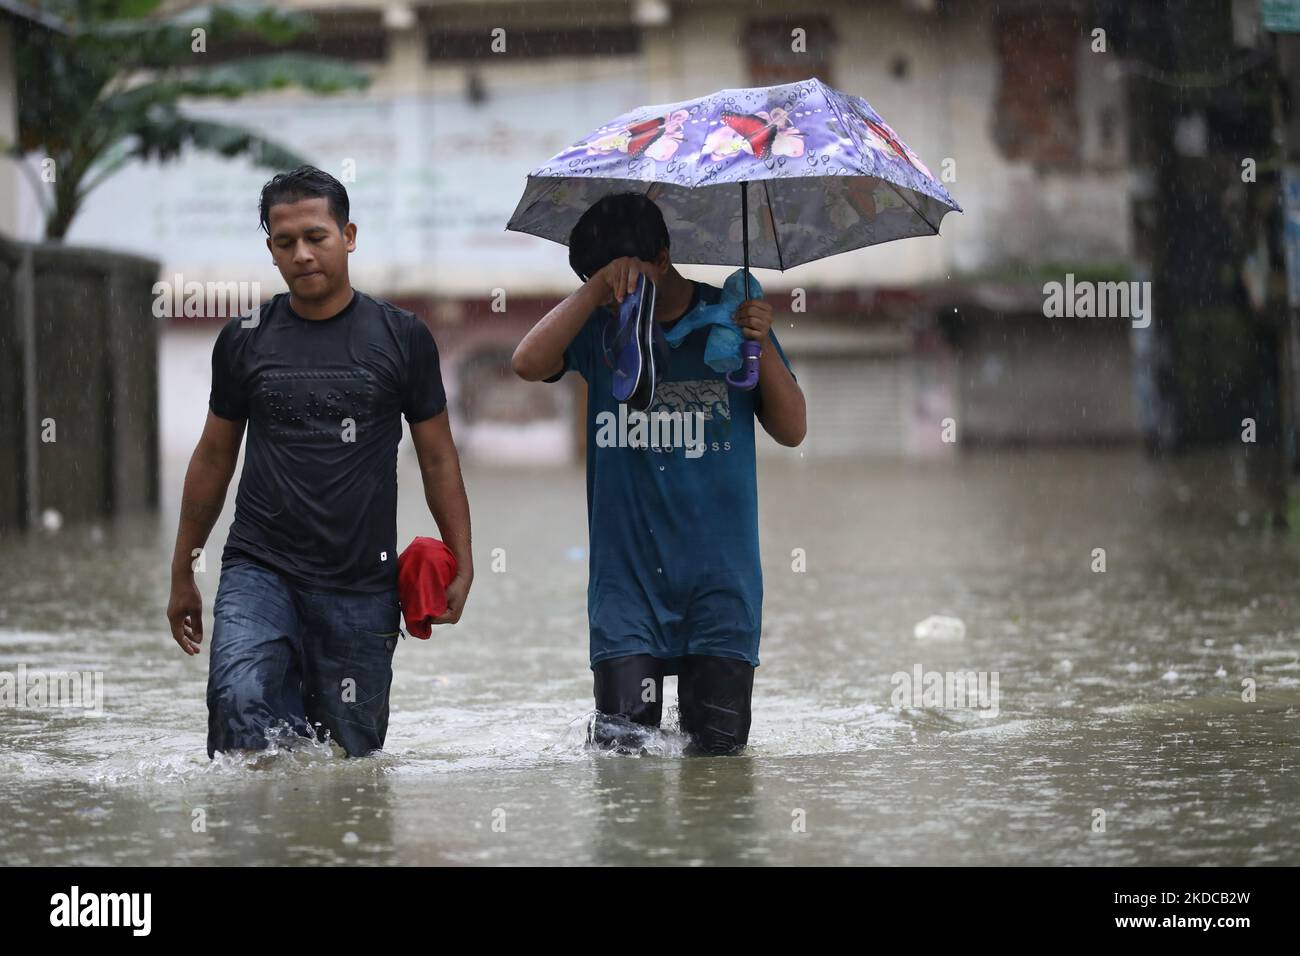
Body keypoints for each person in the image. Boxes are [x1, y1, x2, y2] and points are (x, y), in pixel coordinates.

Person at [166, 165, 473, 759]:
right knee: (239, 704)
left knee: (348, 759)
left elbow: (437, 456)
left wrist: (461, 557)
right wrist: (184, 570)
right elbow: (213, 457)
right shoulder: (244, 338)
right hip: (260, 566)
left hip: (362, 583)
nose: (303, 254)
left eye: (317, 237)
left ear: (349, 236)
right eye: (286, 243)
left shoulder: (402, 337)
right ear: (271, 251)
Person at [511, 192, 806, 754]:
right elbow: (527, 362)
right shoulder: (601, 329)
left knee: (718, 765)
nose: (615, 293)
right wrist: (597, 290)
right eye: (600, 282)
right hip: (626, 588)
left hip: (721, 585)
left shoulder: (730, 324)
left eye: (625, 276)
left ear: (664, 257)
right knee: (623, 760)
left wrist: (760, 341)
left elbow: (792, 431)